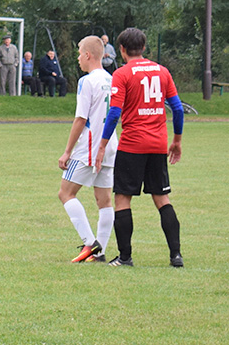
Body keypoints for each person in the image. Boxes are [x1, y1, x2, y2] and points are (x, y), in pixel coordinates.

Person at [95, 28, 184, 268]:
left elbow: (114, 113)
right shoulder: (162, 71)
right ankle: (176, 255)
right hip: (157, 146)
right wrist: (176, 140)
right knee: (162, 198)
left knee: (123, 199)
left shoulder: (122, 74)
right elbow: (177, 109)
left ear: (122, 49)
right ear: (143, 48)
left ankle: (125, 257)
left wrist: (102, 145)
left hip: (132, 145)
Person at [57, 36, 118, 263]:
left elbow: (81, 119)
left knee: (65, 193)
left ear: (88, 55)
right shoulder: (112, 79)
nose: (78, 58)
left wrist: (67, 151)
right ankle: (100, 252)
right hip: (110, 144)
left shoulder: (87, 81)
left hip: (89, 146)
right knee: (104, 200)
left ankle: (90, 243)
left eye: (80, 53)